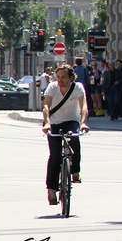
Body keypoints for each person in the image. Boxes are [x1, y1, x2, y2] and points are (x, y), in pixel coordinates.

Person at [41, 65, 89, 205]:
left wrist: (83, 122)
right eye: (58, 77)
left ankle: (75, 172)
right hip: (54, 123)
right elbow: (46, 106)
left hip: (71, 121)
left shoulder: (78, 87)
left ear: (71, 78)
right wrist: (47, 123)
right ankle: (51, 189)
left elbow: (84, 106)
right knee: (55, 155)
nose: (60, 80)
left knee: (74, 137)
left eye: (63, 77)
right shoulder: (52, 87)